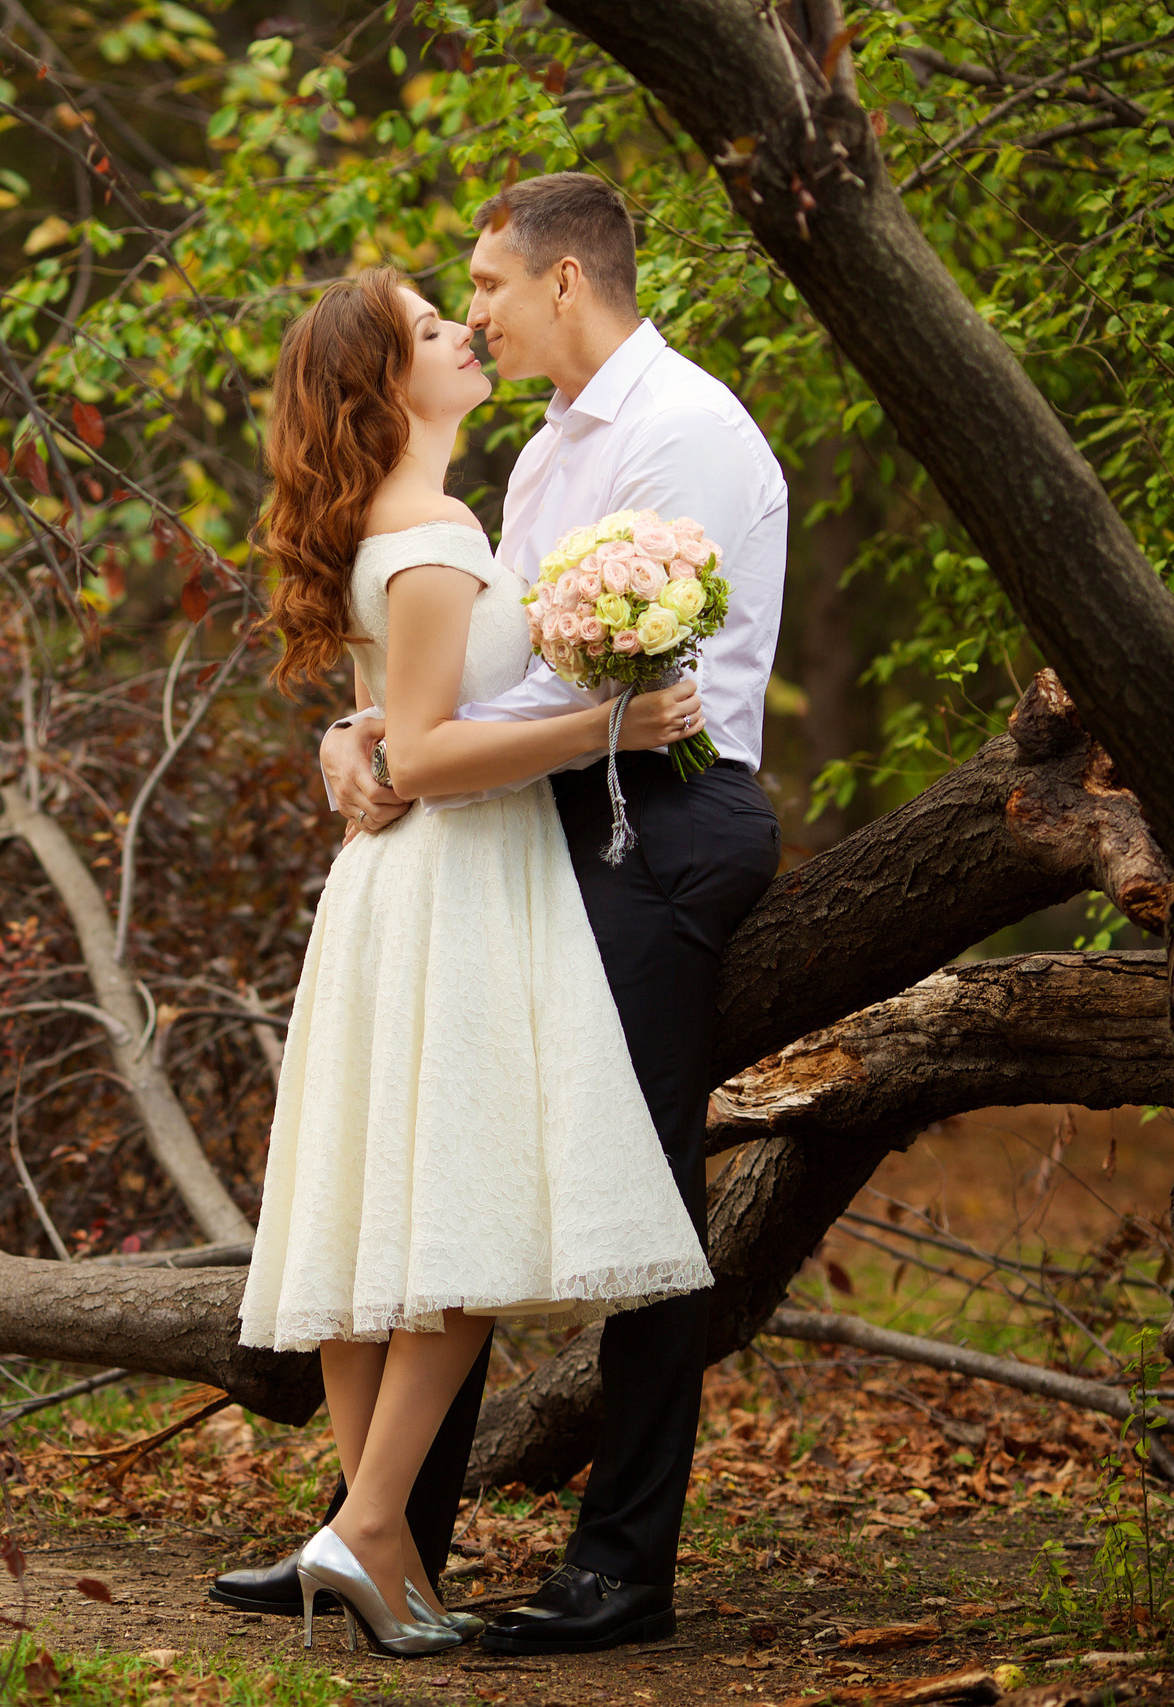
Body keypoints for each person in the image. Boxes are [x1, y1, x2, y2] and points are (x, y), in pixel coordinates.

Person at [317, 174, 790, 1656]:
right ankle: (384, 1538)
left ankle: (621, 1569)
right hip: (546, 806)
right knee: (457, 1154)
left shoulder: (687, 433)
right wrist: (372, 741)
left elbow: (637, 687)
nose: (477, 314)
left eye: (493, 288)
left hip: (666, 810)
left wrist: (421, 747)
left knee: (635, 1189)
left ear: (569, 280)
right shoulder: (536, 459)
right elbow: (476, 662)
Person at [231, 262, 716, 1660]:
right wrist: (605, 731)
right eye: (435, 328)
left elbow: (400, 724)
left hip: (416, 888)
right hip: (455, 887)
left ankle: (373, 1539)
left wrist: (362, 731)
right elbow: (438, 758)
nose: (466, 332)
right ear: (392, 385)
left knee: (384, 1213)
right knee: (458, 1216)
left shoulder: (415, 524)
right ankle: (373, 1527)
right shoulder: (434, 532)